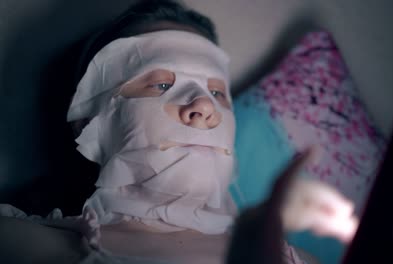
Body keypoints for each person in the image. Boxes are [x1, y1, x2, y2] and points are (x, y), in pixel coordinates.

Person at [0, 1, 358, 263]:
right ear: (92, 123)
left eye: (218, 93)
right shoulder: (20, 245)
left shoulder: (300, 260)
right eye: (159, 84)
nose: (204, 108)